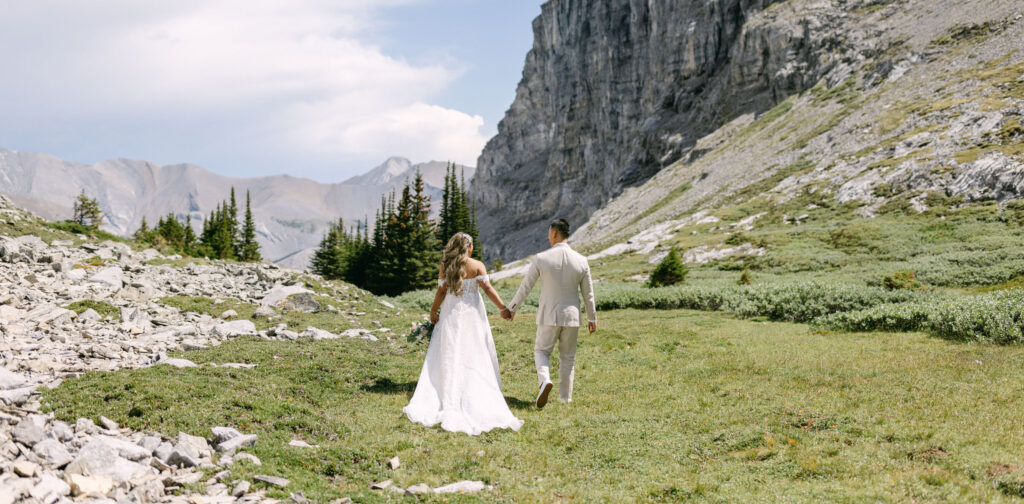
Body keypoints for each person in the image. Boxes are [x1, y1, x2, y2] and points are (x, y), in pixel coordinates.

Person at [403, 233, 524, 435]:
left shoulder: (446, 265)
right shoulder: (477, 266)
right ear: (469, 248)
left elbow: (441, 292)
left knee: (449, 352)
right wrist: (503, 308)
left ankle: (445, 390)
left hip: (451, 313)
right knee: (474, 351)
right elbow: (487, 289)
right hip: (473, 315)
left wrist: (433, 311)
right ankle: (474, 393)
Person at [502, 219, 597, 408]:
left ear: (554, 233)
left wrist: (512, 308)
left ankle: (544, 380)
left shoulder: (541, 258)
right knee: (568, 357)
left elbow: (526, 286)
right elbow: (588, 293)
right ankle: (565, 398)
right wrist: (592, 317)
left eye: (548, 233)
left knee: (541, 350)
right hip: (572, 316)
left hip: (549, 314)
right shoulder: (581, 260)